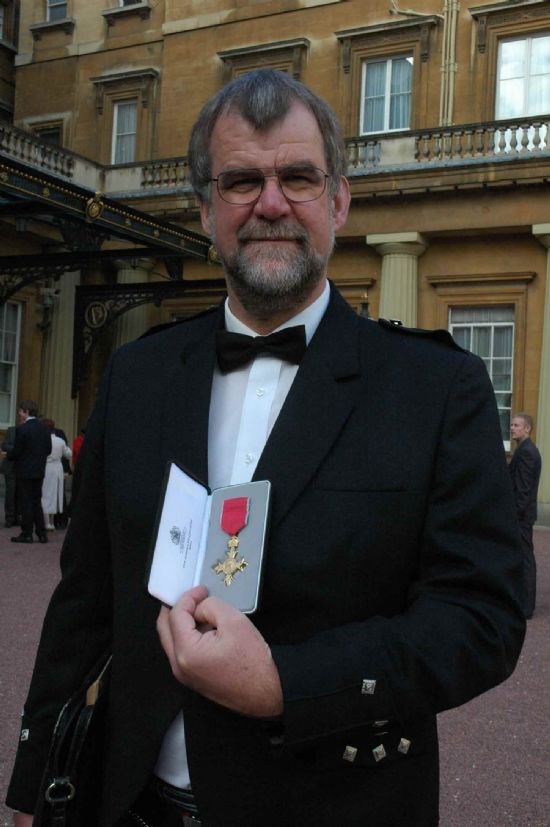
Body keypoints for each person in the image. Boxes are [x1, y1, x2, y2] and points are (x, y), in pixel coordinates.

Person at [7, 70, 525, 827]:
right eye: (242, 180)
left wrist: (289, 680)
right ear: (207, 210)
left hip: (336, 807)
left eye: (298, 177)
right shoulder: (140, 373)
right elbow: (84, 603)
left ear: (339, 201)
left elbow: (483, 617)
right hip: (126, 806)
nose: (272, 203)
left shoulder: (436, 387)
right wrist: (33, 785)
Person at [3, 400, 51, 545]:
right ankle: (42, 533)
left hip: (24, 470)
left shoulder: (22, 429)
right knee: (36, 501)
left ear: (26, 412)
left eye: (21, 411)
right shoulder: (44, 428)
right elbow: (48, 450)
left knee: (26, 502)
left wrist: (8, 453)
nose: (19, 413)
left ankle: (27, 533)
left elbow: (17, 451)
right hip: (39, 470)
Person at [509, 412, 542, 619]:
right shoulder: (523, 450)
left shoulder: (527, 452)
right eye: (511, 425)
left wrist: (514, 514)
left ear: (527, 428)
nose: (512, 428)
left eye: (517, 425)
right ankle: (522, 602)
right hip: (522, 514)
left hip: (521, 516)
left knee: (525, 558)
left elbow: (523, 489)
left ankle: (526, 606)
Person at [40, 418, 72, 530]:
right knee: (55, 495)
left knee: (45, 494)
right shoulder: (60, 440)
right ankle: (52, 522)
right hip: (58, 468)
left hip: (47, 467)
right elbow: (69, 454)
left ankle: (46, 522)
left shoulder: (42, 440)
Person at [1, 424, 18, 527]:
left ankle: (17, 517)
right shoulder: (11, 430)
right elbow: (4, 445)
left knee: (20, 493)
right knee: (10, 493)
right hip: (10, 466)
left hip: (23, 467)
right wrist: (16, 449)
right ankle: (10, 517)